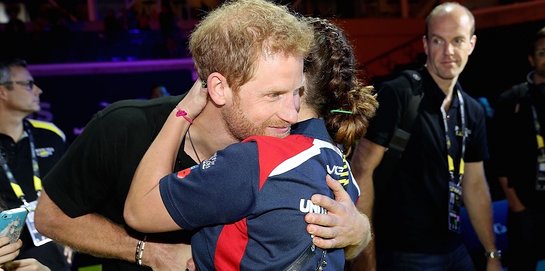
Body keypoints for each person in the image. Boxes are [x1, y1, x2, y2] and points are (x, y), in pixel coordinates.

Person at [34, 1, 370, 270]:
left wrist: (357, 232)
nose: (292, 112)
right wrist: (146, 252)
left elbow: (325, 240)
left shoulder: (287, 144)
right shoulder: (124, 127)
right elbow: (49, 218)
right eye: (273, 96)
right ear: (219, 88)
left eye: (296, 92)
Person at [124, 17, 376, 270]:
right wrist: (361, 232)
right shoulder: (338, 163)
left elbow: (139, 211)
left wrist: (182, 113)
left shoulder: (256, 159)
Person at [349, 2, 503, 271]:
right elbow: (361, 172)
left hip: (456, 248)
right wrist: (365, 259)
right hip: (404, 253)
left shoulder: (473, 111)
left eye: (457, 40)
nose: (448, 52)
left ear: (472, 44)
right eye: (438, 40)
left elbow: (475, 185)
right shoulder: (398, 94)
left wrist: (491, 254)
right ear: (425, 44)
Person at [0, 59, 68, 270]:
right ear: (3, 92)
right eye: (28, 84)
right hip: (13, 259)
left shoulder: (51, 135)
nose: (38, 90)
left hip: (59, 256)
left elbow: (73, 194)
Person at [491, 26, 545, 271]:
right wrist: (516, 204)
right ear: (531, 59)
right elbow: (499, 157)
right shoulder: (511, 100)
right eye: (542, 52)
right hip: (525, 205)